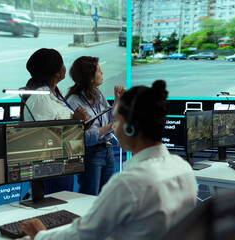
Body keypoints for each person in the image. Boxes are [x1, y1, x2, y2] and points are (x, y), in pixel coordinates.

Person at [19, 80, 198, 240]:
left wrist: (40, 234)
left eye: (117, 121)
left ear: (130, 129)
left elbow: (83, 236)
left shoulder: (129, 183)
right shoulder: (183, 168)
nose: (114, 126)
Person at [20, 48, 88, 194]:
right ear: (57, 72)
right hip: (50, 168)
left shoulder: (53, 92)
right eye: (62, 63)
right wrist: (75, 122)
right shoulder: (40, 98)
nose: (65, 67)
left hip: (62, 163)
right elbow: (45, 137)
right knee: (53, 211)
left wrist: (80, 121)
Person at [66, 56, 125, 195]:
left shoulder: (98, 94)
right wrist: (111, 126)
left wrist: (117, 100)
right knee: (89, 196)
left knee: (106, 196)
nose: (102, 73)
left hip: (107, 150)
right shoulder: (74, 101)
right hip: (91, 154)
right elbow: (85, 136)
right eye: (99, 70)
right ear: (90, 77)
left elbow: (109, 118)